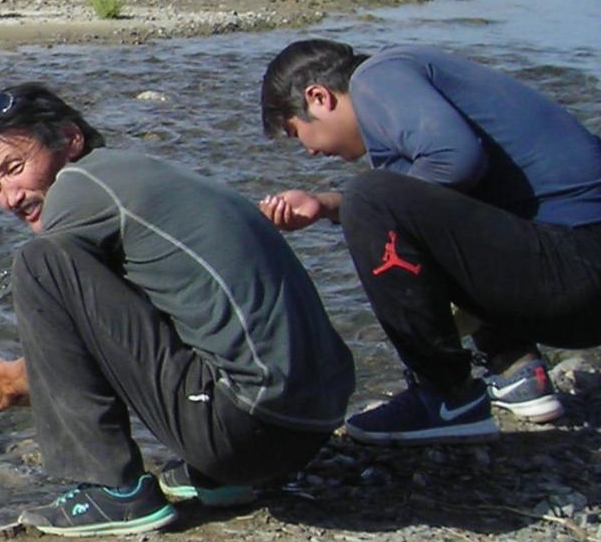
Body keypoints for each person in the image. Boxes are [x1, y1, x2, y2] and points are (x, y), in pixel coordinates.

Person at [0, 83, 354, 537]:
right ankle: (220, 479)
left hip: (248, 428)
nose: (9, 198)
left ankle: (111, 489)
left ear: (71, 139)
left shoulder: (78, 188)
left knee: (41, 264)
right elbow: (113, 345)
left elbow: (65, 360)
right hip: (311, 425)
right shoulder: (140, 176)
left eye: (14, 168)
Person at [257, 37, 601, 441]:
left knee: (373, 196)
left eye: (297, 134)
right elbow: (442, 199)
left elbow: (455, 160)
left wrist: (356, 205)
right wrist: (326, 203)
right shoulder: (407, 102)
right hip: (573, 275)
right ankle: (518, 372)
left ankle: (446, 397)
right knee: (387, 201)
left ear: (318, 97)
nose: (310, 152)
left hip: (576, 266)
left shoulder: (377, 77)